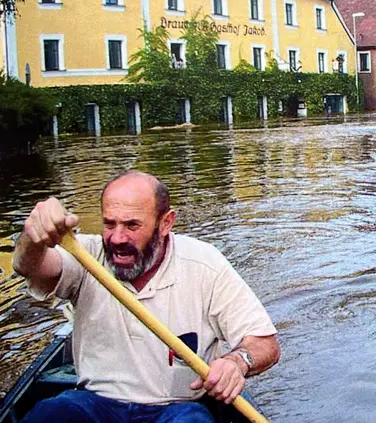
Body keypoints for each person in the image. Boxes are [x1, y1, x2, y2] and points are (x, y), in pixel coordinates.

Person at [12, 171, 280, 423]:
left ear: (166, 223)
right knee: (50, 413)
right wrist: (34, 237)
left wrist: (237, 362)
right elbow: (29, 265)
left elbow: (265, 345)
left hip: (176, 409)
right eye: (109, 223)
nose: (117, 238)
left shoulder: (204, 264)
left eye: (132, 225)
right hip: (96, 404)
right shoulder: (87, 256)